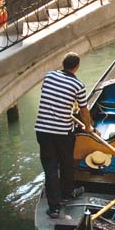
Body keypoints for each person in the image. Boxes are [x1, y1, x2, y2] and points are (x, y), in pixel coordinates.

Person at [35, 52, 95, 219]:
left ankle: (54, 208)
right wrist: (88, 128)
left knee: (50, 168)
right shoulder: (78, 85)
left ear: (62, 63)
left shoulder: (49, 76)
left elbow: (51, 97)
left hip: (42, 130)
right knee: (67, 163)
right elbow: (83, 110)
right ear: (76, 67)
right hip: (62, 132)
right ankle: (68, 193)